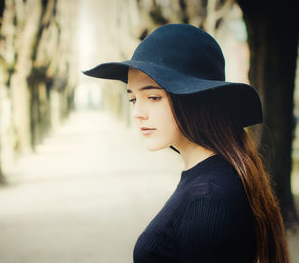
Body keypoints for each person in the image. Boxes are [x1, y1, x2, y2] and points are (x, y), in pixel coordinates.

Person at [83, 24, 290, 263]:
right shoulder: (212, 177)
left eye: (153, 97)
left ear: (195, 98)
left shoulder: (207, 198)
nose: (138, 112)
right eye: (133, 99)